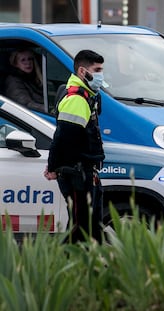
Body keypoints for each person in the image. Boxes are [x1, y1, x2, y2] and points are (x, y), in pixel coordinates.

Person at [44, 49, 106, 243]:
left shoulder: (85, 94)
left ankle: (92, 267)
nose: (100, 75)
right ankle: (59, 265)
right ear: (82, 72)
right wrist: (53, 167)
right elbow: (62, 138)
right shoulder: (77, 100)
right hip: (77, 173)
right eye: (97, 70)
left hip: (85, 171)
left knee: (91, 225)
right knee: (81, 227)